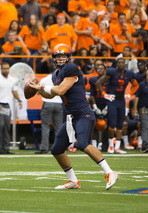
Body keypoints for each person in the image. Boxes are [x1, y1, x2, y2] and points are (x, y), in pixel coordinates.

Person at [29, 43, 118, 190]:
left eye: (64, 56)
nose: (61, 58)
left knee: (82, 144)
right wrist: (37, 90)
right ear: (54, 58)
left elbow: (61, 89)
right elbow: (51, 94)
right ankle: (73, 181)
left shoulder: (71, 69)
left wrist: (42, 87)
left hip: (83, 113)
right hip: (70, 117)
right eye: (58, 56)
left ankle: (110, 172)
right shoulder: (56, 75)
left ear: (69, 58)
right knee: (57, 149)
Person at [95, 57, 139, 154]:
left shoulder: (129, 74)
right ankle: (111, 146)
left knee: (120, 125)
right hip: (113, 100)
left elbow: (136, 85)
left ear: (125, 64)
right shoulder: (112, 72)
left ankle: (117, 147)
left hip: (121, 100)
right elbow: (98, 83)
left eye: (122, 62)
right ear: (116, 64)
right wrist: (105, 94)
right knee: (112, 124)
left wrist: (130, 94)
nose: (121, 64)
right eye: (119, 62)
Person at [0, 62, 23, 154]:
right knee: (0, 125)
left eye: (7, 69)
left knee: (7, 125)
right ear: (1, 69)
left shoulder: (11, 79)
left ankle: (6, 147)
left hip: (6, 105)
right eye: (4, 68)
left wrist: (19, 100)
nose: (6, 70)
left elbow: (14, 91)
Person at [36, 64, 63, 154]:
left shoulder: (44, 79)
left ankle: (44, 148)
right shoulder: (61, 79)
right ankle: (59, 147)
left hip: (47, 103)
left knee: (45, 126)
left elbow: (38, 92)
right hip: (59, 104)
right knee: (58, 128)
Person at [89, 63, 108, 149]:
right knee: (94, 126)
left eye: (102, 68)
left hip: (106, 104)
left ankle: (104, 144)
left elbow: (111, 93)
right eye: (98, 68)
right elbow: (92, 94)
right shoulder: (93, 80)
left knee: (107, 126)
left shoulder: (108, 80)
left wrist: (107, 107)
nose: (100, 70)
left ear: (105, 70)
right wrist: (95, 106)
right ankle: (94, 145)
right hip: (97, 103)